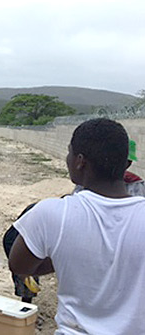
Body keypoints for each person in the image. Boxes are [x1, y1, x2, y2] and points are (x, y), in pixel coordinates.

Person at [9, 118, 145, 333]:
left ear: (80, 161)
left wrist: (68, 256)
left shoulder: (51, 213)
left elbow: (19, 265)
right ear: (125, 163)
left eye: (69, 153)